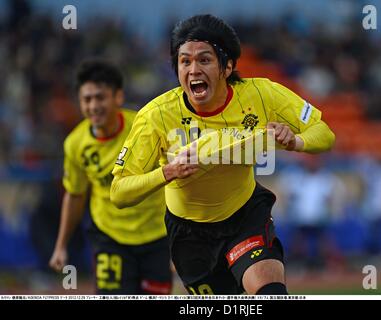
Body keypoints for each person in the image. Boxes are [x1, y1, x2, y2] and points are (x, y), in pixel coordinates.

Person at [111, 14, 335, 295]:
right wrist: (169, 171)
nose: (193, 69)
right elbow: (119, 192)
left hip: (246, 217)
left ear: (227, 66)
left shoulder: (262, 94)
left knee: (269, 291)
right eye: (185, 61)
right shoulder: (155, 117)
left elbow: (324, 133)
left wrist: (296, 142)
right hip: (189, 234)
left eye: (204, 60)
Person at [49, 59, 172, 294]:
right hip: (109, 237)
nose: (94, 106)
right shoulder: (75, 144)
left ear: (118, 97)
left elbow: (172, 175)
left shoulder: (144, 127)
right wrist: (61, 245)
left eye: (100, 97)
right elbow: (75, 195)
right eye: (87, 99)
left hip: (157, 236)